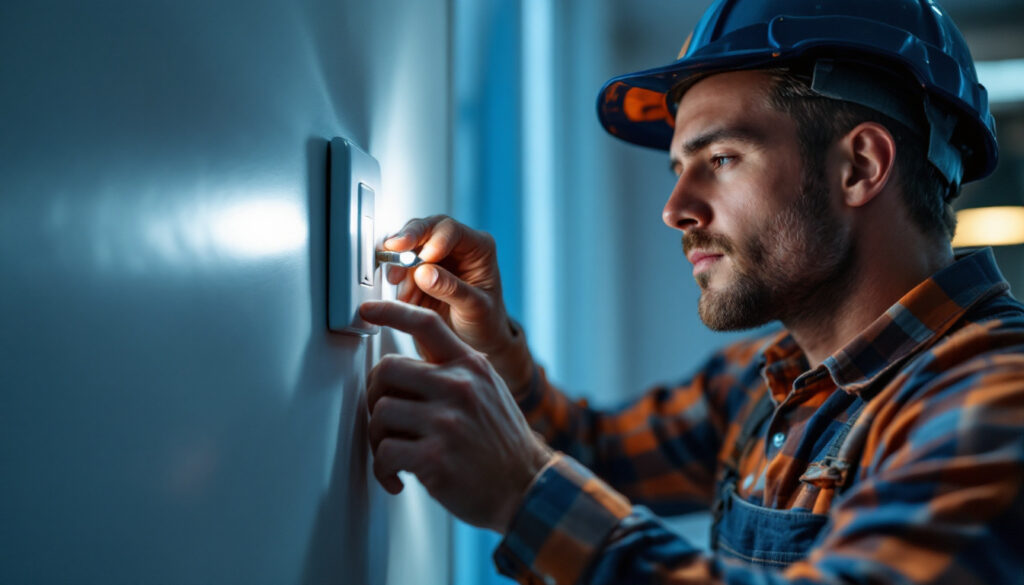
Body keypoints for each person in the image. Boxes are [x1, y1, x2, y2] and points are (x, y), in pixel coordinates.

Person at [359, 0, 1024, 582]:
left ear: (859, 166)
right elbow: (593, 452)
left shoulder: (995, 398)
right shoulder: (772, 380)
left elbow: (545, 470)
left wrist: (525, 492)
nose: (675, 208)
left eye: (721, 159)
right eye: (680, 168)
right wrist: (494, 351)